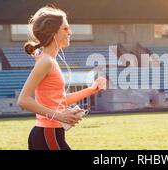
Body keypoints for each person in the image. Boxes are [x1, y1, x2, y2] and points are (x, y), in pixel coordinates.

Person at [17, 5, 106, 150]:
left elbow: (61, 100)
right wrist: (59, 115)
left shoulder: (48, 60)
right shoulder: (46, 61)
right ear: (53, 33)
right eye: (65, 28)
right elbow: (23, 100)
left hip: (50, 134)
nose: (70, 32)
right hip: (47, 134)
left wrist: (91, 90)